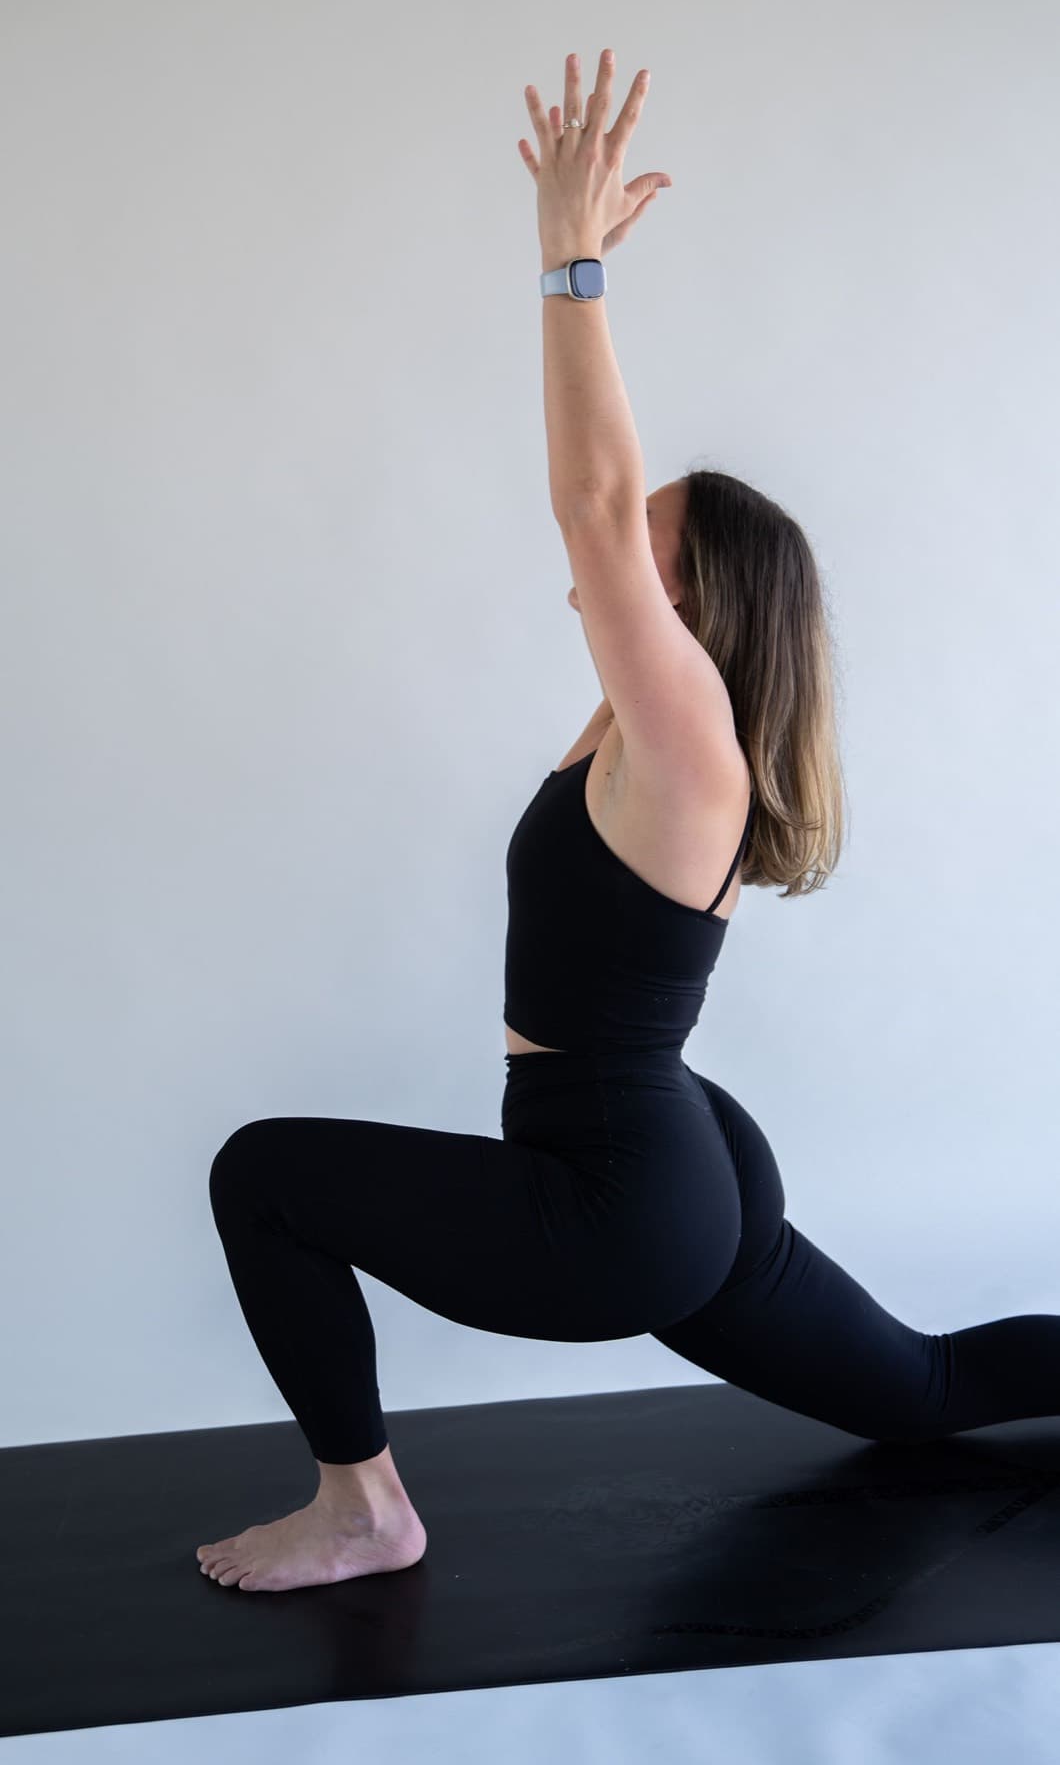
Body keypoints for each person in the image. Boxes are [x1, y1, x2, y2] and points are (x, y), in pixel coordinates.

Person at [196, 468, 1060, 1597]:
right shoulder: (655, 723)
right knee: (922, 1393)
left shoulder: (686, 738)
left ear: (688, 590)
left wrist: (571, 282)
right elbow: (607, 525)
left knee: (264, 1172)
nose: (611, 532)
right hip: (675, 1154)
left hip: (627, 1196)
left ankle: (364, 1513)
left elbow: (590, 500)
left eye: (644, 526)